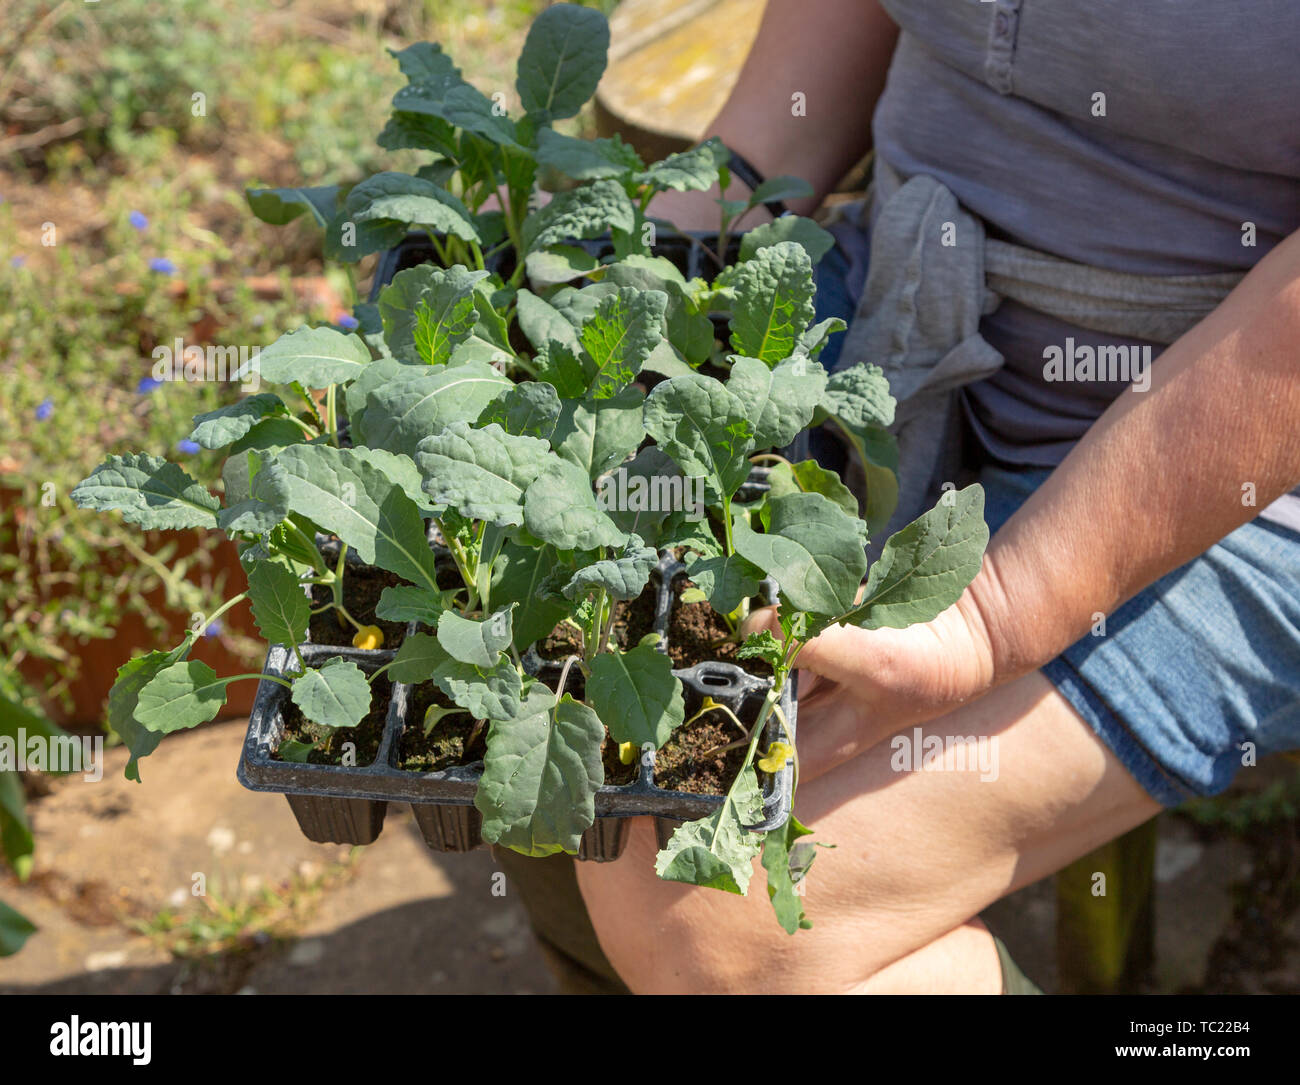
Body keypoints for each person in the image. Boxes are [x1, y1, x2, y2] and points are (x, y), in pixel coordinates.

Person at [497, 0, 1300, 994]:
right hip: (907, 303)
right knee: (537, 660)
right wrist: (688, 230)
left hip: (1246, 449)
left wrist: (991, 616)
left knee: (723, 923)